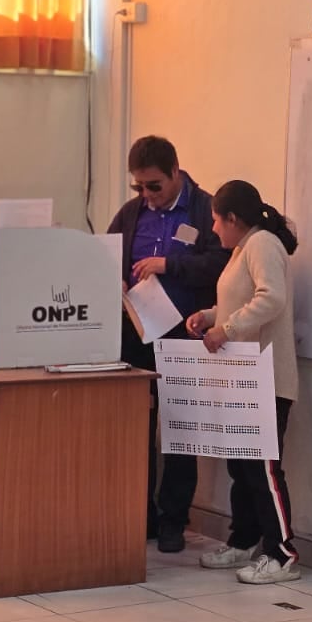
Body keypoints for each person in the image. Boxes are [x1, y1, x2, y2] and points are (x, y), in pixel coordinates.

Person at [106, 135, 230, 554]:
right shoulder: (131, 214)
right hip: (136, 336)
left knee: (179, 432)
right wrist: (115, 278)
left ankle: (173, 520)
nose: (147, 195)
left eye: (154, 186)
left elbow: (222, 264)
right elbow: (105, 256)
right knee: (133, 427)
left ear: (176, 172)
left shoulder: (204, 210)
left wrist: (169, 264)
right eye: (139, 187)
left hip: (185, 334)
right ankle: (137, 515)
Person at [186, 180, 302, 585]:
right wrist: (210, 316)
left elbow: (272, 299)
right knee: (242, 465)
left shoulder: (263, 244)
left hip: (266, 379)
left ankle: (282, 553)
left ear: (233, 218)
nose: (214, 229)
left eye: (217, 220)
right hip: (243, 379)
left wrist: (228, 329)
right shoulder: (242, 248)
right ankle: (244, 541)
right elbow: (241, 300)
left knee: (264, 468)